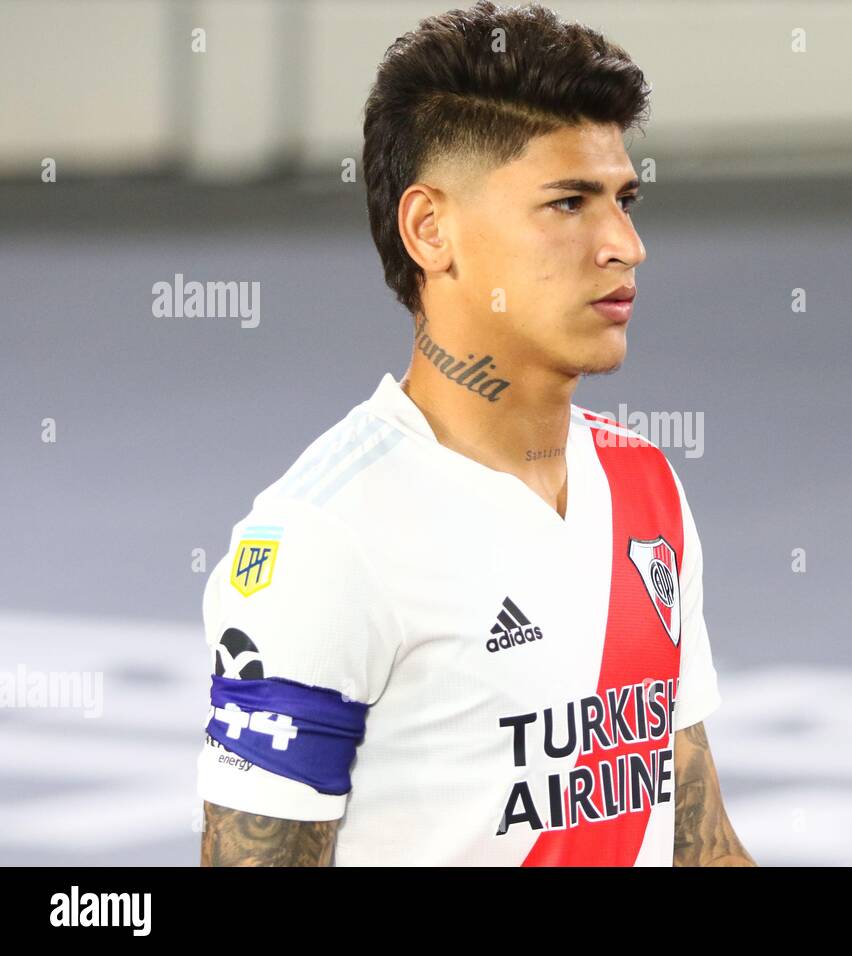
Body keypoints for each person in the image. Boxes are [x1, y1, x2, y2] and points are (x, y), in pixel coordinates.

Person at [197, 0, 754, 867]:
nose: (625, 244)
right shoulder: (325, 538)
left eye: (624, 199)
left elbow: (699, 849)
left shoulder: (645, 484)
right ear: (431, 230)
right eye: (569, 203)